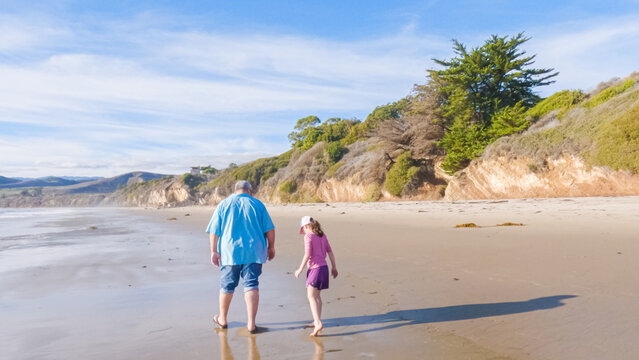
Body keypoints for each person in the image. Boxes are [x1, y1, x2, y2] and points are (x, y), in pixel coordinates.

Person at [206, 180, 275, 333]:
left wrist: (213, 251)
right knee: (251, 284)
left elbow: (214, 231)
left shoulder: (224, 204)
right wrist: (271, 247)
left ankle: (222, 318)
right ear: (250, 190)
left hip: (230, 251)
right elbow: (270, 228)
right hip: (254, 251)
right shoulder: (258, 204)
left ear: (235, 190)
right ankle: (251, 323)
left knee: (227, 285)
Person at [294, 216, 338, 336]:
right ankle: (316, 320)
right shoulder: (322, 235)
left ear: (306, 226)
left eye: (304, 229)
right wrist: (334, 267)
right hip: (324, 268)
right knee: (317, 296)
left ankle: (318, 323)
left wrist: (300, 269)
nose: (304, 231)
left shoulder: (308, 236)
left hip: (315, 269)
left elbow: (307, 254)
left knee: (311, 296)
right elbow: (330, 251)